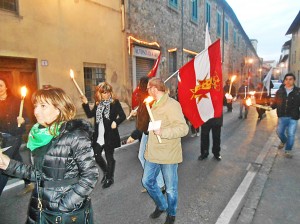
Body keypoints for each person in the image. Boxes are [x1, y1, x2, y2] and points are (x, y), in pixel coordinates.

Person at [0, 87, 99, 223]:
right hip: (39, 207)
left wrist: (65, 205)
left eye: (43, 106)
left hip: (65, 213)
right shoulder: (38, 136)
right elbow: (40, 173)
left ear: (58, 109)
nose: (36, 111)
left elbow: (90, 175)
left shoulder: (75, 136)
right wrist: (9, 165)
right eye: (35, 105)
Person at [142, 77, 189, 224]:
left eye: (148, 88)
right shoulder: (153, 104)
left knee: (170, 189)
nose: (147, 91)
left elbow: (183, 128)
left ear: (154, 89)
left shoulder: (172, 105)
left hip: (168, 154)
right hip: (153, 153)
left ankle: (172, 213)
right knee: (147, 181)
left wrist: (164, 132)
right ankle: (162, 205)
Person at [81, 81, 126, 188]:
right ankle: (107, 172)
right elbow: (89, 114)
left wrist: (116, 122)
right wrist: (85, 103)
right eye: (103, 93)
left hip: (110, 135)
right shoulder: (98, 105)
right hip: (99, 135)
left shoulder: (115, 103)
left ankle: (110, 178)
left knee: (109, 157)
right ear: (99, 94)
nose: (106, 94)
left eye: (107, 92)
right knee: (96, 155)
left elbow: (123, 115)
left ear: (110, 92)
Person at [126, 76, 165, 193]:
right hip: (146, 133)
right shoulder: (145, 98)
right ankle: (155, 182)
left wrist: (134, 134)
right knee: (143, 157)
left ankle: (159, 184)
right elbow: (144, 112)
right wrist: (137, 112)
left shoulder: (152, 99)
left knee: (150, 159)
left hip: (151, 133)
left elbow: (149, 120)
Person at [0, 78, 33, 195]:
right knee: (16, 158)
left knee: (3, 164)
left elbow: (27, 117)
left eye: (1, 85)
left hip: (15, 135)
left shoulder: (16, 101)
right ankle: (29, 181)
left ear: (6, 87)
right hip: (2, 137)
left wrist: (23, 120)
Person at [271, 73, 300, 158]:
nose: (288, 81)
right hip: (282, 116)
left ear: (294, 80)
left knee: (291, 134)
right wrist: (271, 106)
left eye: (290, 79)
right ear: (284, 81)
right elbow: (276, 102)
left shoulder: (298, 91)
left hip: (293, 117)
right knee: (279, 132)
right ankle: (284, 141)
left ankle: (288, 150)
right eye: (286, 79)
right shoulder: (280, 91)